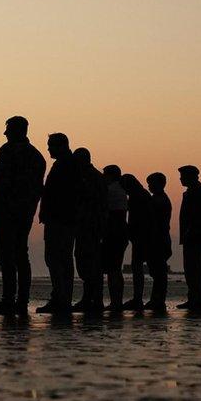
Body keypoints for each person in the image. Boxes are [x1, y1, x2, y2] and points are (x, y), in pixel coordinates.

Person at [0, 116, 45, 315]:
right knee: (20, 255)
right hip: (24, 212)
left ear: (18, 130)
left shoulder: (8, 151)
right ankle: (21, 301)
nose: (5, 133)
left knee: (8, 257)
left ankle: (9, 300)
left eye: (8, 129)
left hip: (7, 212)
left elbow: (0, 181)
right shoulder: (37, 156)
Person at [37, 133, 80, 314]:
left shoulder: (65, 165)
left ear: (61, 146)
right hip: (64, 219)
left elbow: (59, 194)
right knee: (62, 260)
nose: (48, 149)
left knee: (55, 259)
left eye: (51, 146)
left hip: (59, 220)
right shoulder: (67, 164)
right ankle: (63, 298)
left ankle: (60, 299)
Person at [72, 148, 107, 313]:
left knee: (87, 262)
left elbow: (88, 202)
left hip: (88, 225)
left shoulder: (89, 177)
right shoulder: (96, 177)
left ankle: (90, 299)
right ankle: (94, 299)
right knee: (90, 263)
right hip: (91, 225)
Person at [177, 165, 201, 311]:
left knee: (194, 268)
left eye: (183, 176)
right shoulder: (195, 191)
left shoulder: (197, 192)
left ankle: (197, 299)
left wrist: (190, 231)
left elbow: (196, 217)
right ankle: (194, 298)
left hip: (195, 236)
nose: (180, 179)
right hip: (193, 235)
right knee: (193, 268)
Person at [120, 173, 154, 311]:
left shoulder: (138, 197)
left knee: (137, 267)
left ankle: (138, 299)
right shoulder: (142, 195)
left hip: (141, 237)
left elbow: (138, 219)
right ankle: (138, 298)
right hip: (140, 236)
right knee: (138, 267)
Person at [102, 165, 129, 311]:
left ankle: (115, 302)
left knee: (113, 269)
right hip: (121, 232)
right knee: (116, 269)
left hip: (114, 233)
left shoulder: (111, 190)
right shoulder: (121, 191)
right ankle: (116, 301)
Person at [145, 172, 172, 312]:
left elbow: (155, 223)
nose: (149, 186)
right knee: (157, 272)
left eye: (150, 183)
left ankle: (158, 300)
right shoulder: (159, 199)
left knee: (159, 272)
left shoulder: (158, 200)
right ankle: (156, 299)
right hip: (160, 239)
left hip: (158, 239)